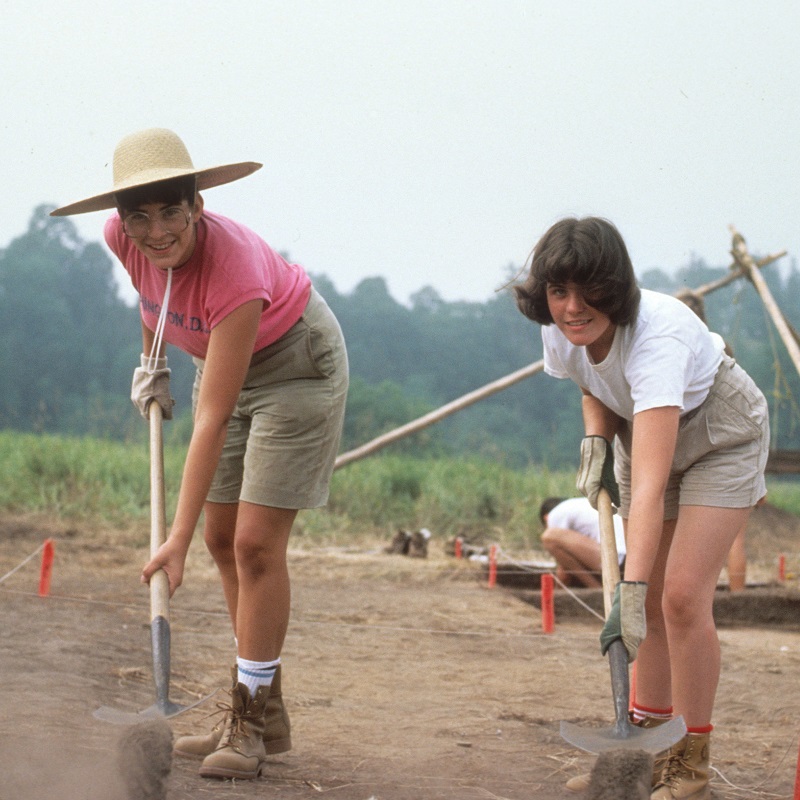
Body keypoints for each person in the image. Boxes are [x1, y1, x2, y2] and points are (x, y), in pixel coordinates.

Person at [52, 128, 349, 781]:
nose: (157, 232)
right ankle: (262, 710)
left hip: (295, 370)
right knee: (223, 539)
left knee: (253, 545)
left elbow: (212, 417)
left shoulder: (235, 269)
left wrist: (173, 541)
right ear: (122, 221)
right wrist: (151, 365)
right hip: (215, 361)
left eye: (170, 213)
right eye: (140, 216)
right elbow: (151, 298)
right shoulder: (120, 240)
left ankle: (247, 718)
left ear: (197, 207)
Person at [514, 217, 769, 799]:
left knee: (675, 596)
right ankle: (643, 754)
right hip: (640, 430)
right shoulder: (560, 327)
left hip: (719, 435)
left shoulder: (658, 337)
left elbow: (650, 487)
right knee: (649, 596)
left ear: (617, 284)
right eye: (558, 293)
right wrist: (596, 439)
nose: (573, 308)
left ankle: (691, 761)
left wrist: (625, 596)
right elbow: (592, 383)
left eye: (588, 291)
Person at [539, 496, 626, 588]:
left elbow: (564, 572)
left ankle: (595, 588)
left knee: (548, 537)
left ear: (546, 518)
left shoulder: (554, 514)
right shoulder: (580, 505)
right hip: (624, 560)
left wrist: (558, 591)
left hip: (616, 561)